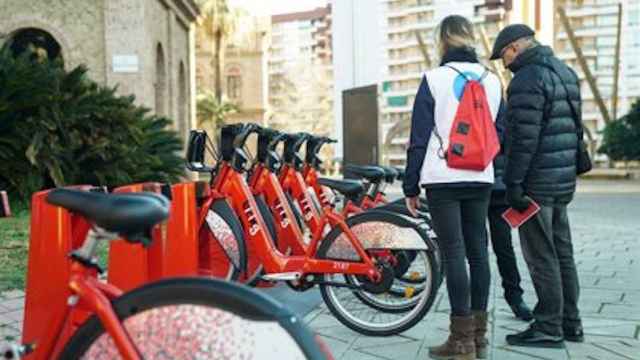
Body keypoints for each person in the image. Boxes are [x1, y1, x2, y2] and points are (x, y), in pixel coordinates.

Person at [403, 15, 504, 360]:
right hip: (481, 176)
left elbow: (418, 139)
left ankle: (459, 341)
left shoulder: (433, 79)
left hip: (442, 177)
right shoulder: (493, 80)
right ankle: (479, 338)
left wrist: (410, 184)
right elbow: (500, 133)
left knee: (454, 253)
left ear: (443, 41)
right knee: (478, 252)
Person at [490, 24, 583, 348]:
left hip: (537, 185)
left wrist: (513, 183)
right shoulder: (565, 72)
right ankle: (571, 322)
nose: (504, 64)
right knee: (562, 253)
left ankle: (548, 327)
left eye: (504, 55)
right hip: (561, 180)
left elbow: (522, 140)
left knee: (541, 256)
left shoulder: (526, 80)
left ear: (516, 47)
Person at [488, 144, 533, 322]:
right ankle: (514, 298)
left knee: (503, 247)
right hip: (478, 185)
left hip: (499, 188)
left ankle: (514, 296)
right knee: (481, 249)